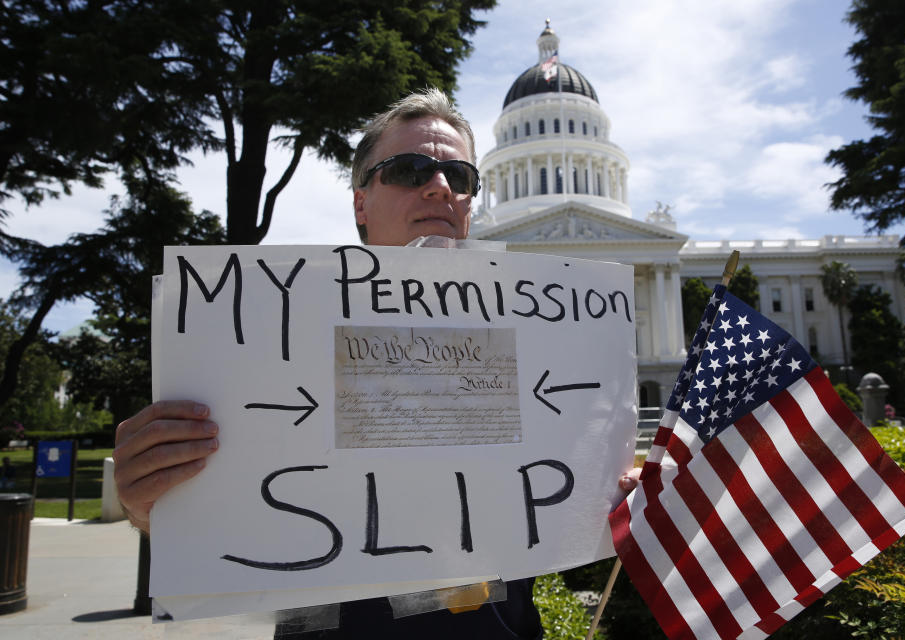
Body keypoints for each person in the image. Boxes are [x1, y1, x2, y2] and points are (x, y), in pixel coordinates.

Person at [113, 88, 642, 639]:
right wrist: (153, 505)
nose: (439, 186)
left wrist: (612, 493)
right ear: (361, 202)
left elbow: (559, 495)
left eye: (459, 177)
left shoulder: (542, 345)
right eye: (410, 169)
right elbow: (230, 507)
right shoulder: (279, 337)